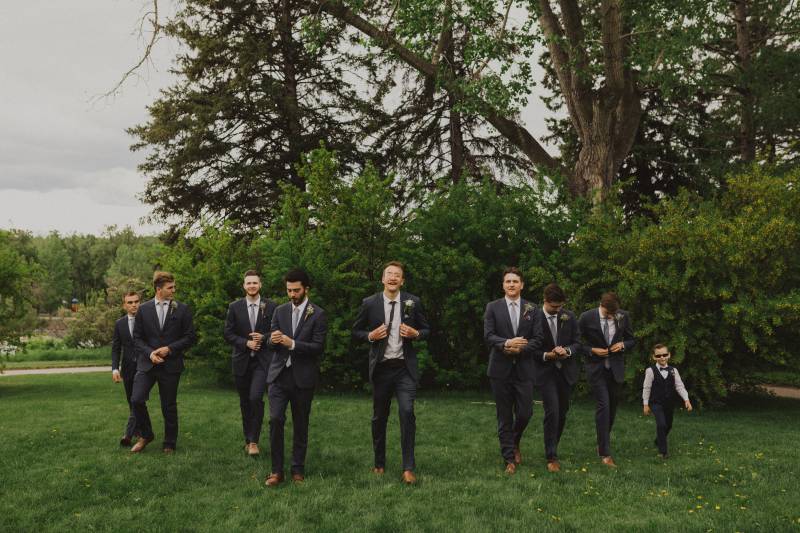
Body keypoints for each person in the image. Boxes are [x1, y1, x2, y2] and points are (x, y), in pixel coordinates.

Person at [352, 261, 430, 484]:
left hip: (404, 368)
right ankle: (379, 462)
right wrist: (370, 336)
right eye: (389, 274)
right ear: (383, 279)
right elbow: (356, 330)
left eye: (397, 275)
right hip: (381, 369)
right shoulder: (370, 303)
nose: (393, 278)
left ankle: (408, 467)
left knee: (407, 412)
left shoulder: (412, 302)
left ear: (402, 280)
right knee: (379, 417)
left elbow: (426, 330)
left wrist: (416, 334)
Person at [265, 269, 327, 486]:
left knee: (301, 424)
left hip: (303, 378)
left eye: (296, 290)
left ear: (306, 289)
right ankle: (276, 471)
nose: (292, 294)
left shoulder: (317, 313)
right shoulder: (279, 311)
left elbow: (318, 347)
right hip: (279, 376)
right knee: (275, 420)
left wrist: (292, 344)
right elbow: (270, 341)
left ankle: (297, 469)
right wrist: (272, 340)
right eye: (289, 290)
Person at [483, 267, 542, 474]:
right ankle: (508, 458)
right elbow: (489, 336)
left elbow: (538, 339)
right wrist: (507, 343)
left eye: (515, 281)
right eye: (507, 281)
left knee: (525, 413)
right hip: (500, 370)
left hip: (525, 369)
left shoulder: (533, 309)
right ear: (503, 285)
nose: (511, 285)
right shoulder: (493, 307)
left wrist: (521, 348)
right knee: (504, 415)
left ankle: (514, 440)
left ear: (522, 285)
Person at [130, 271, 196, 454]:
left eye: (174, 286)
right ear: (159, 289)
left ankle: (169, 443)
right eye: (170, 287)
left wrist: (170, 349)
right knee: (136, 399)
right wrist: (150, 353)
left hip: (171, 364)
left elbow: (190, 337)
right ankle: (146, 434)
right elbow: (137, 338)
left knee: (168, 405)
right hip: (147, 363)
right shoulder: (143, 309)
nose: (174, 290)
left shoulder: (182, 309)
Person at [578, 291, 636, 467]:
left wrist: (623, 345)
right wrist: (591, 350)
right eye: (608, 314)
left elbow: (632, 340)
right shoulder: (586, 317)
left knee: (611, 408)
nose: (611, 317)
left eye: (613, 315)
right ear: (601, 306)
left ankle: (601, 442)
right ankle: (605, 453)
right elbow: (576, 342)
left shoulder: (623, 316)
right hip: (596, 369)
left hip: (615, 369)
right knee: (603, 405)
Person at [223, 270, 277, 456]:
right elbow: (228, 334)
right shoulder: (234, 307)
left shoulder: (271, 306)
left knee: (255, 398)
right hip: (242, 361)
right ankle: (248, 439)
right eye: (248, 283)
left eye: (255, 283)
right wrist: (246, 343)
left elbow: (278, 331)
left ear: (260, 285)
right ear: (244, 286)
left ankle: (254, 441)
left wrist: (264, 337)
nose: (252, 286)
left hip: (262, 362)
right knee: (245, 401)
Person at [530, 283, 580, 473]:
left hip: (565, 371)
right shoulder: (533, 317)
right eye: (554, 307)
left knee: (562, 412)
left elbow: (577, 342)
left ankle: (553, 446)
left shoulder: (569, 317)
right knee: (552, 411)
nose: (558, 310)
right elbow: (530, 347)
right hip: (545, 372)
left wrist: (566, 350)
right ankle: (551, 456)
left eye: (560, 307)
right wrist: (546, 355)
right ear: (545, 301)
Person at [642, 343, 692, 459]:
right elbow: (647, 387)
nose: (662, 358)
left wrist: (686, 399)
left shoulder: (673, 371)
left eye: (664, 355)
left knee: (668, 425)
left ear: (669, 355)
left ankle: (658, 440)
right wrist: (645, 404)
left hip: (669, 403)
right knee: (661, 424)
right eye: (658, 356)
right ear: (654, 357)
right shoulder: (650, 371)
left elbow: (679, 386)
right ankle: (663, 452)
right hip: (656, 403)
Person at [111, 290, 141, 446]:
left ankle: (128, 435)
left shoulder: (147, 320)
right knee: (131, 401)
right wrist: (115, 369)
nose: (133, 304)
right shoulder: (119, 324)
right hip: (127, 369)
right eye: (130, 302)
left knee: (137, 399)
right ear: (124, 305)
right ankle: (138, 430)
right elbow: (116, 348)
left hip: (145, 368)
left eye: (136, 301)